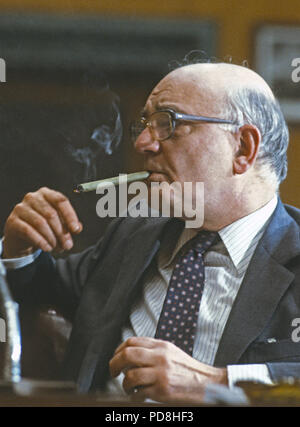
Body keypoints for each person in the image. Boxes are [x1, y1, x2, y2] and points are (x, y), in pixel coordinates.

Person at [2, 61, 300, 404]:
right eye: (144, 125)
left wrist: (218, 383)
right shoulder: (133, 234)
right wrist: (18, 248)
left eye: (168, 124)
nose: (144, 143)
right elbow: (37, 293)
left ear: (242, 148)